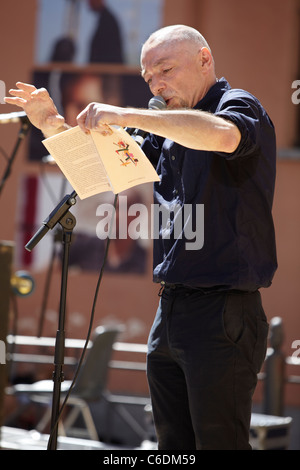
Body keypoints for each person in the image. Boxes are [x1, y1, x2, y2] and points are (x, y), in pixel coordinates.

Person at [5, 24, 277, 450]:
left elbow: (223, 136)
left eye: (166, 70)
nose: (157, 84)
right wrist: (51, 125)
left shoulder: (238, 104)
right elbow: (99, 175)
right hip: (170, 307)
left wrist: (127, 114)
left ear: (205, 59)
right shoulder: (162, 130)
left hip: (224, 311)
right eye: (149, 77)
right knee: (172, 445)